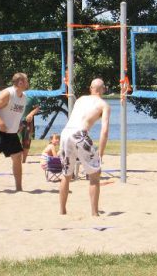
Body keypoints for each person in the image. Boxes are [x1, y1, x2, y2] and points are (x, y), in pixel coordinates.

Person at [59, 78, 110, 216]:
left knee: (66, 174)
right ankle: (94, 213)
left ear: (91, 88)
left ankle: (62, 211)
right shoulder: (103, 105)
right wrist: (101, 153)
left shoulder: (80, 99)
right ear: (103, 89)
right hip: (80, 134)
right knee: (95, 175)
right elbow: (104, 131)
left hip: (65, 133)